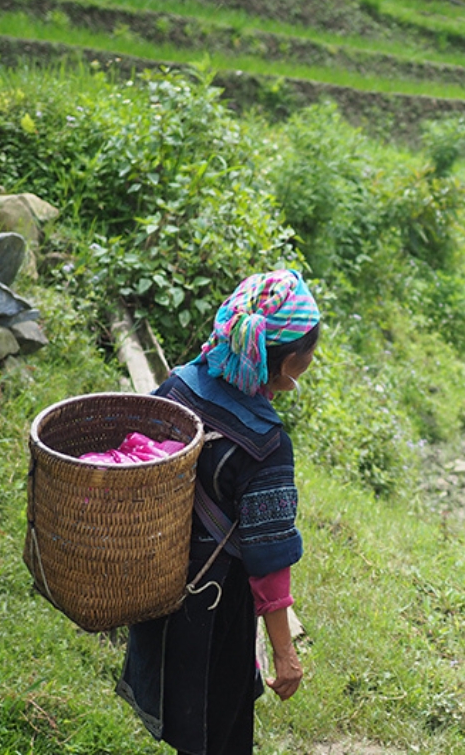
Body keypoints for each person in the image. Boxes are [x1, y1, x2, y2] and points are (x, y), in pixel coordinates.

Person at [118, 269, 321, 755]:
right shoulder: (267, 445)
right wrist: (285, 654)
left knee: (185, 713)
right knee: (218, 732)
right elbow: (268, 560)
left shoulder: (179, 384)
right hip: (214, 603)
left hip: (161, 576)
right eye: (310, 354)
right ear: (289, 361)